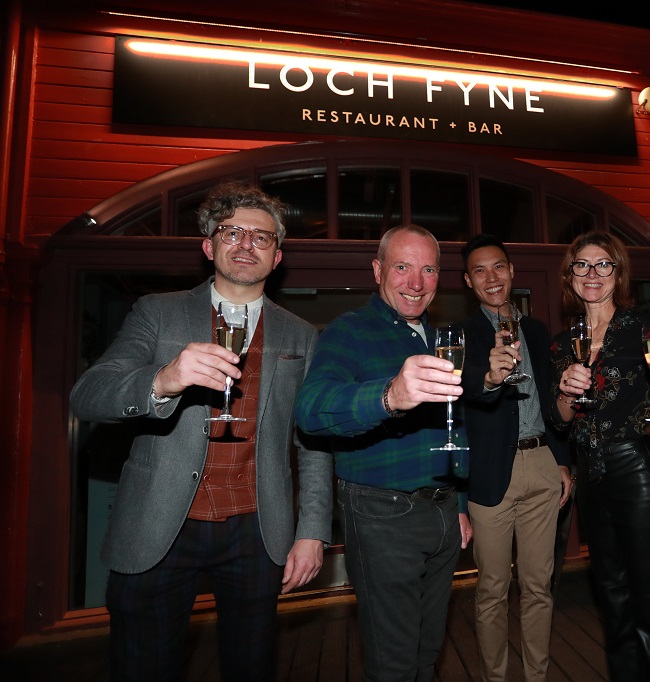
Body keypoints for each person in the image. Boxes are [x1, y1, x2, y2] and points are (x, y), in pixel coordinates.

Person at [69, 182, 334, 682]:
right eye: (232, 232)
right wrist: (163, 379)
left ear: (277, 256)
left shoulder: (302, 335)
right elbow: (88, 394)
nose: (246, 244)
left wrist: (313, 530)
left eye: (261, 237)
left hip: (258, 527)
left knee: (251, 667)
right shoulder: (157, 311)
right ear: (209, 246)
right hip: (159, 522)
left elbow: (312, 441)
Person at [293, 224, 472, 682]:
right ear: (378, 270)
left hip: (442, 512)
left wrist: (460, 505)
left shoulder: (439, 339)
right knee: (392, 661)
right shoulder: (348, 332)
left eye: (428, 269)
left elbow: (454, 426)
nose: (416, 283)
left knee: (427, 651)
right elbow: (310, 412)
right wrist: (388, 396)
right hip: (381, 513)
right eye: (403, 267)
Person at [551, 231, 650, 681]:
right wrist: (566, 391)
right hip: (590, 473)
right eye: (581, 265)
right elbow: (561, 420)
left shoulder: (643, 328)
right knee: (613, 598)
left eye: (603, 264)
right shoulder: (562, 342)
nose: (592, 274)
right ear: (570, 276)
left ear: (618, 272)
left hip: (636, 467)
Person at [459, 234, 573, 682]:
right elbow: (463, 396)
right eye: (481, 271)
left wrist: (561, 460)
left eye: (499, 267)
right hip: (490, 473)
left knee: (539, 586)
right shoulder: (460, 334)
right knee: (491, 588)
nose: (492, 277)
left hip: (542, 462)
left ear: (512, 272)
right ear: (469, 281)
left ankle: (537, 675)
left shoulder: (539, 331)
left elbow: (551, 401)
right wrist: (488, 378)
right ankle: (494, 676)